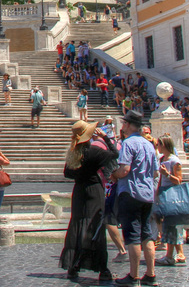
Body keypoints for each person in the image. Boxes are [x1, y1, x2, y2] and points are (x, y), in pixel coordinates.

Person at [60, 120, 117, 281]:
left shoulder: (73, 152)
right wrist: (106, 138)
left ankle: (73, 266)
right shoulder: (94, 152)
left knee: (77, 226)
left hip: (79, 191)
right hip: (94, 190)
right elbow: (114, 154)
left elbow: (67, 173)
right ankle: (102, 268)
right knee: (95, 226)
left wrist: (80, 175)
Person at [109, 110, 158, 286]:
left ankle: (134, 275)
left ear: (128, 125)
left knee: (132, 235)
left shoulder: (128, 144)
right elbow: (155, 171)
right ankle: (151, 274)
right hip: (147, 193)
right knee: (147, 234)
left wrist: (114, 174)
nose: (122, 127)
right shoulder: (149, 145)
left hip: (131, 192)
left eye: (124, 124)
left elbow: (125, 170)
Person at [153, 135, 185, 267]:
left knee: (171, 224)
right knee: (168, 224)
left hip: (172, 195)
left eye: (159, 145)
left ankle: (169, 256)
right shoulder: (162, 159)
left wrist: (167, 174)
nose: (157, 147)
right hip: (164, 194)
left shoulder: (174, 161)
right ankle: (179, 254)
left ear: (164, 145)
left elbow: (179, 180)